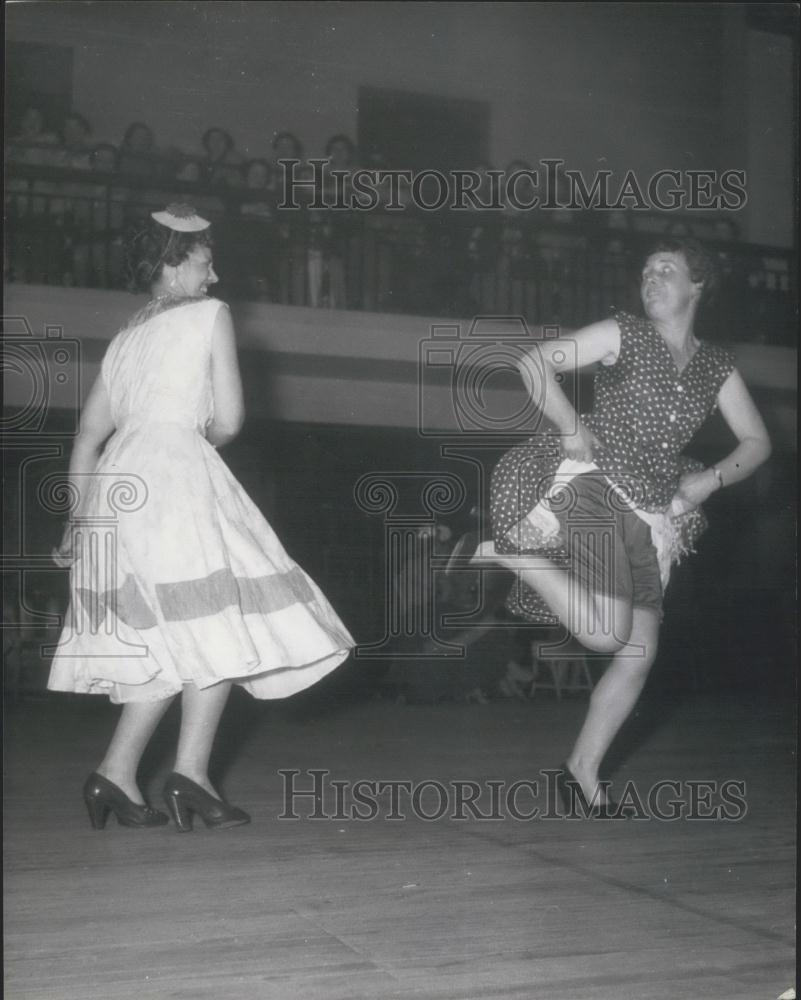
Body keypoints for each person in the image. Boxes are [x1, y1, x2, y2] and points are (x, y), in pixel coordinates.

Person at [49, 202, 355, 831]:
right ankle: (188, 774)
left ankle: (116, 774)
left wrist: (77, 525)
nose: (213, 277)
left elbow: (85, 440)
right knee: (217, 618)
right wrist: (191, 442)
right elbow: (231, 420)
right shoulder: (210, 315)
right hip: (175, 476)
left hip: (118, 485)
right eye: (205, 263)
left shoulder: (124, 339)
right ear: (173, 263)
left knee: (165, 633)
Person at [474, 238, 771, 816]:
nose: (650, 278)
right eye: (645, 270)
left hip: (655, 510)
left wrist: (710, 480)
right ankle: (517, 555)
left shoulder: (716, 365)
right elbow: (533, 362)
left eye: (666, 269)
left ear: (697, 285)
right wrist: (568, 426)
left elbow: (757, 442)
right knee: (608, 634)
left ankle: (581, 771)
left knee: (638, 651)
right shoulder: (624, 333)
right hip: (596, 483)